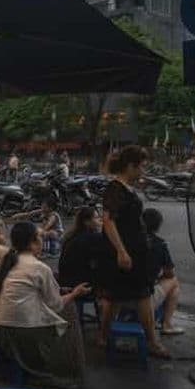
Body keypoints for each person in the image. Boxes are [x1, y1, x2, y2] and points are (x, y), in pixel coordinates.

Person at [0, 221, 91, 388]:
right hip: (20, 333)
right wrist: (75, 293)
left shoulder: (9, 261)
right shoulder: (39, 267)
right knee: (69, 311)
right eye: (40, 237)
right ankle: (68, 369)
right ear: (32, 242)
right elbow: (56, 305)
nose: (42, 241)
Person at [98, 146, 169, 357]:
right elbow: (108, 222)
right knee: (142, 294)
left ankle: (103, 336)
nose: (143, 171)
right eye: (142, 167)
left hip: (133, 251)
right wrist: (121, 251)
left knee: (115, 296)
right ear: (131, 166)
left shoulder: (125, 188)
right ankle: (152, 342)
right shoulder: (115, 189)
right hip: (126, 252)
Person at [140, 208, 183, 335]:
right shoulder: (160, 244)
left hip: (118, 295)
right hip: (143, 298)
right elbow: (170, 273)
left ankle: (164, 323)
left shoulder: (128, 240)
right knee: (174, 283)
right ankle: (167, 325)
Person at [58, 207, 104, 288]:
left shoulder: (73, 235)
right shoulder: (91, 237)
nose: (100, 220)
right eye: (96, 217)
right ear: (87, 222)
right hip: (78, 283)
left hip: (65, 279)